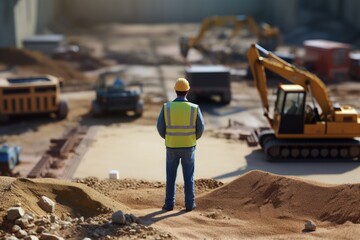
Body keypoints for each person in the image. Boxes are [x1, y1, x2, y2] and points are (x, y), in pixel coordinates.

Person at [157, 78, 205, 212]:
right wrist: (192, 138)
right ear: (187, 91)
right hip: (189, 147)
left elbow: (160, 127)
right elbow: (200, 129)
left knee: (170, 177)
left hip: (171, 146)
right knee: (189, 177)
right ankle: (189, 205)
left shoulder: (166, 107)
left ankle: (169, 205)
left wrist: (168, 138)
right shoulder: (194, 108)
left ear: (175, 91)